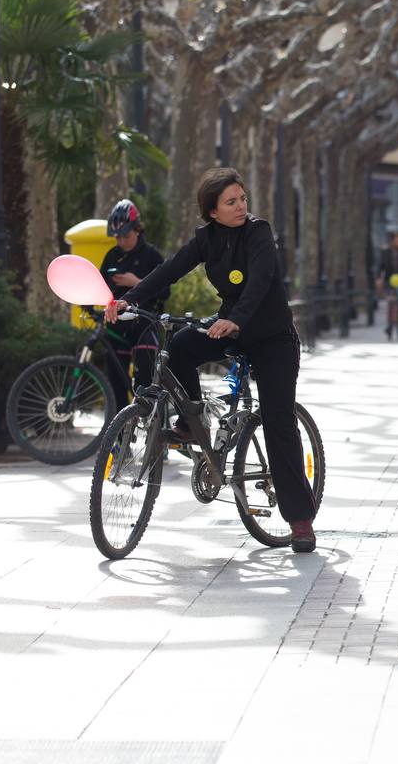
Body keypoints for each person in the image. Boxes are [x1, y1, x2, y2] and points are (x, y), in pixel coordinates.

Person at [105, 167, 317, 552]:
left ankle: (300, 520)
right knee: (181, 348)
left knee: (278, 423)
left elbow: (260, 283)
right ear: (213, 212)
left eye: (242, 199)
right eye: (231, 202)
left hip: (272, 340)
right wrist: (129, 301)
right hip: (229, 329)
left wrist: (234, 318)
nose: (241, 206)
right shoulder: (206, 239)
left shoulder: (259, 232)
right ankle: (193, 420)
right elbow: (170, 269)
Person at [99, 199, 166, 402]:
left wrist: (136, 282)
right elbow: (101, 286)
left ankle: (153, 423)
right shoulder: (111, 256)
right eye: (117, 237)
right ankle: (119, 432)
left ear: (137, 230)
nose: (121, 241)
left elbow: (165, 293)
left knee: (146, 384)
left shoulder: (152, 255)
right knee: (116, 384)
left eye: (125, 236)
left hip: (145, 325)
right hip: (117, 327)